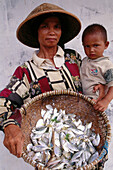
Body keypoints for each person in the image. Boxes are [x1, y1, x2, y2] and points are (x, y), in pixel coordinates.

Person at [0, 2, 104, 162]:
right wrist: (10, 126)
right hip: (51, 154)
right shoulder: (26, 71)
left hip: (81, 142)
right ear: (36, 31)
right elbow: (3, 101)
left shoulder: (72, 58)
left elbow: (94, 79)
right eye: (44, 26)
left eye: (56, 27)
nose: (51, 32)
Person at [80, 23, 113, 112]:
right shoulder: (84, 61)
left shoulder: (106, 65)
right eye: (87, 46)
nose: (91, 50)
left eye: (96, 45)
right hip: (84, 101)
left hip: (99, 103)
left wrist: (105, 101)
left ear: (106, 45)